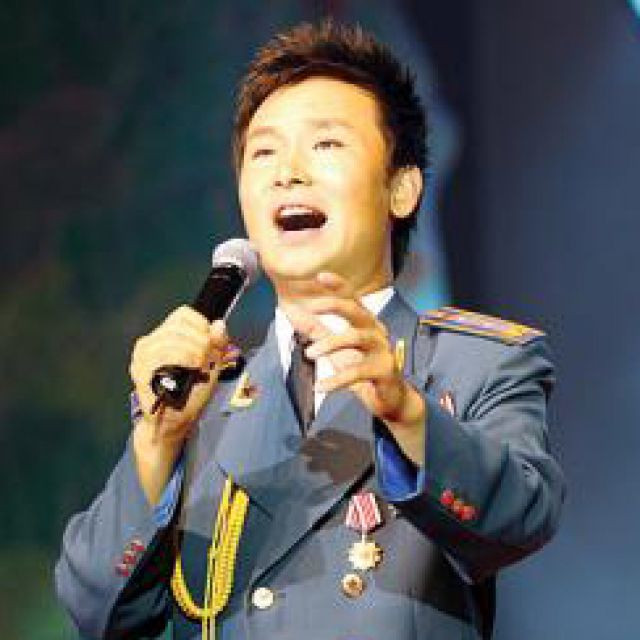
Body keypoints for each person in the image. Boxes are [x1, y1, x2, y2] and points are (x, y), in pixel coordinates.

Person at [55, 20, 565, 640]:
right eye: (264, 153)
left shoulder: (472, 365)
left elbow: (520, 520)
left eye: (325, 144)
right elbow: (98, 611)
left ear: (401, 188)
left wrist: (406, 413)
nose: (287, 173)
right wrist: (157, 441)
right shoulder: (201, 395)